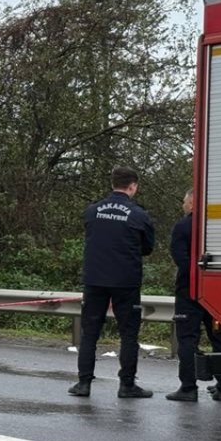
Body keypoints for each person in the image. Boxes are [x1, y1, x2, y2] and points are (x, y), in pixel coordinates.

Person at [69, 167, 157, 399]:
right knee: (128, 334)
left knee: (90, 333)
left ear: (113, 184)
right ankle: (127, 385)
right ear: (133, 186)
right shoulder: (138, 215)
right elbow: (148, 247)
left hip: (95, 280)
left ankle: (83, 383)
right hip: (125, 281)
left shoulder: (92, 211)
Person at [166, 189, 221, 402]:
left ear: (192, 203)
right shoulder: (219, 226)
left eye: (184, 201)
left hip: (189, 291)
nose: (183, 205)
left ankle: (188, 387)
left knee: (187, 339)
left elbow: (180, 259)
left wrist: (195, 277)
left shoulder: (182, 227)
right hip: (218, 291)